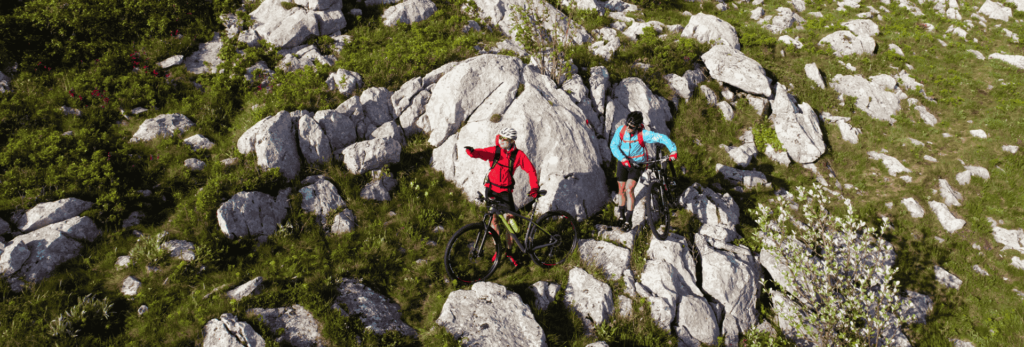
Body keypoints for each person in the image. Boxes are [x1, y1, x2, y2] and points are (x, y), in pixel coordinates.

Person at [464, 127, 540, 268]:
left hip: (505, 193)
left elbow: (530, 169)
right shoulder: (495, 150)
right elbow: (483, 153)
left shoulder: (518, 155)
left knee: (510, 221)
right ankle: (497, 249)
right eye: (500, 137)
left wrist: (534, 187)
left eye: (504, 139)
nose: (501, 140)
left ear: (512, 141)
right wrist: (473, 152)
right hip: (491, 190)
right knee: (493, 220)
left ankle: (509, 252)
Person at [610, 111, 678, 229]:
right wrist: (623, 159)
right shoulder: (621, 130)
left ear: (637, 126)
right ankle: (621, 215)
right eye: (627, 124)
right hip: (623, 163)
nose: (628, 128)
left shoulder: (643, 134)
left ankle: (628, 221)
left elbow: (660, 137)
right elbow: (613, 145)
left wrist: (673, 150)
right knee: (621, 189)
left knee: (629, 189)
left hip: (636, 165)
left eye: (631, 127)